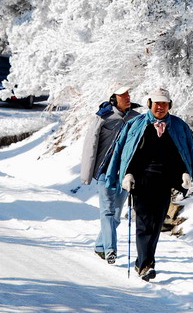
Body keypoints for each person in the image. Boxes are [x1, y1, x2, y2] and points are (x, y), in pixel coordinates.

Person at [106, 87, 193, 281]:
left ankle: (143, 261)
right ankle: (146, 265)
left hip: (164, 182)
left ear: (169, 105)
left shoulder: (178, 126)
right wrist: (125, 175)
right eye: (157, 103)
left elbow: (187, 153)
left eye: (164, 104)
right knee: (144, 223)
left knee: (157, 224)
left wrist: (187, 174)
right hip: (141, 181)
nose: (160, 107)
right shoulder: (136, 124)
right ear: (149, 104)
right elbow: (123, 152)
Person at [80, 83, 139, 264]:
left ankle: (100, 246)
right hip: (105, 171)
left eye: (128, 94)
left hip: (125, 174)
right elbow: (90, 145)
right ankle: (110, 249)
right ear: (113, 98)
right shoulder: (102, 117)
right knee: (107, 210)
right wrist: (87, 174)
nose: (127, 97)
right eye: (123, 95)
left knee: (116, 213)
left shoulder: (136, 118)